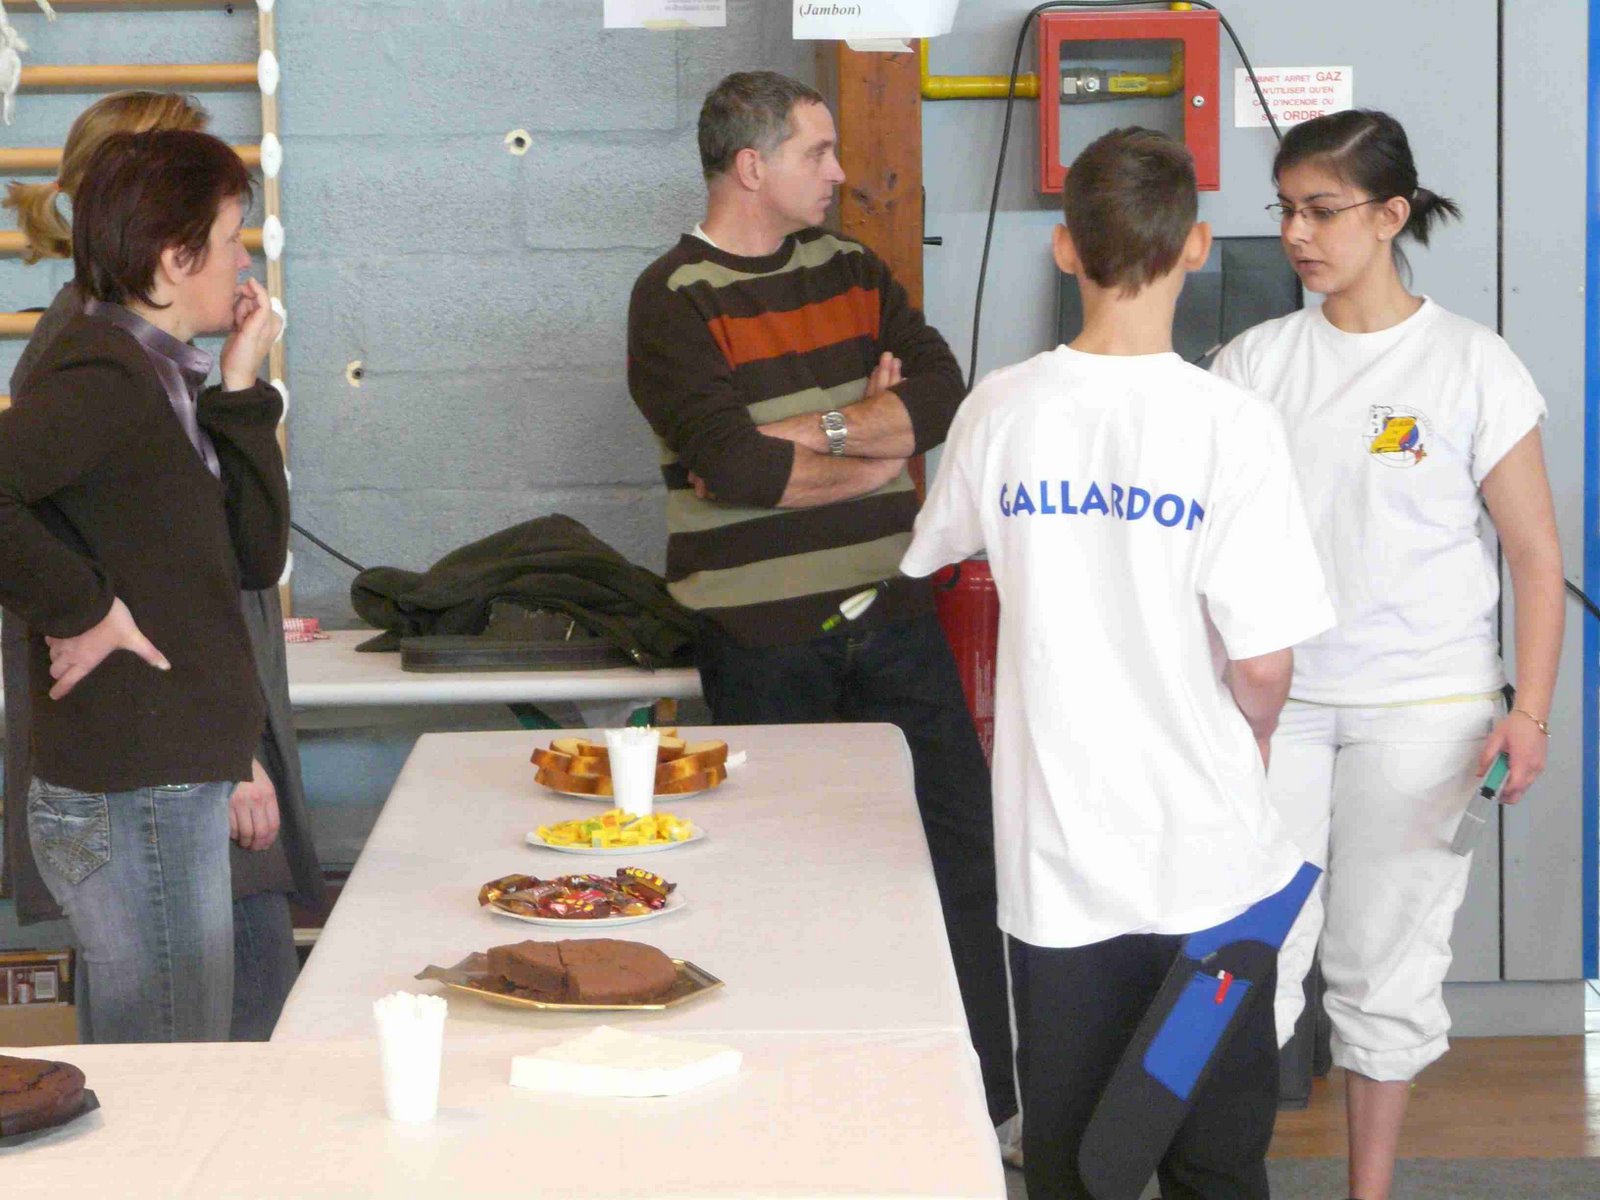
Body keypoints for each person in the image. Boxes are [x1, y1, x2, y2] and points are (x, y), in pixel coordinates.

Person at [901, 127, 1335, 1200]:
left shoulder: (1001, 408)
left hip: (1060, 865)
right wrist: (1253, 735)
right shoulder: (1232, 425)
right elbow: (1264, 664)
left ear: (1065, 250)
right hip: (1209, 865)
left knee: (1075, 1163)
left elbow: (932, 551)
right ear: (1195, 246)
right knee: (1212, 1161)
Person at [626, 70, 1015, 1125]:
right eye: (817, 153)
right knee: (787, 886)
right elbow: (730, 468)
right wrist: (875, 446)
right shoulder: (671, 298)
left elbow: (942, 397)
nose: (839, 173)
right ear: (752, 167)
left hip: (895, 618)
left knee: (959, 856)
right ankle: (805, 1116)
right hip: (761, 643)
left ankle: (984, 1110)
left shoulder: (852, 268)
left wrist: (823, 437)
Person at [1210, 109, 1563, 1200]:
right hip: (1273, 706)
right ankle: (1219, 1175)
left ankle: (1369, 1192)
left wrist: (1529, 714)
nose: (1296, 234)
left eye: (1321, 210)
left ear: (1390, 214)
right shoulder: (1253, 363)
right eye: (1285, 209)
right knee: (1242, 957)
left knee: (1384, 970)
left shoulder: (1470, 364)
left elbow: (1535, 556)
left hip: (1425, 712)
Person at [3, 91, 325, 1041]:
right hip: (138, 788)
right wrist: (83, 608)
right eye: (231, 241)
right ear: (176, 260)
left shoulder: (164, 375)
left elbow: (255, 556)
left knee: (185, 1058)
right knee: (173, 1070)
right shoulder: (104, 373)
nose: (245, 262)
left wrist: (241, 384)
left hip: (171, 777)